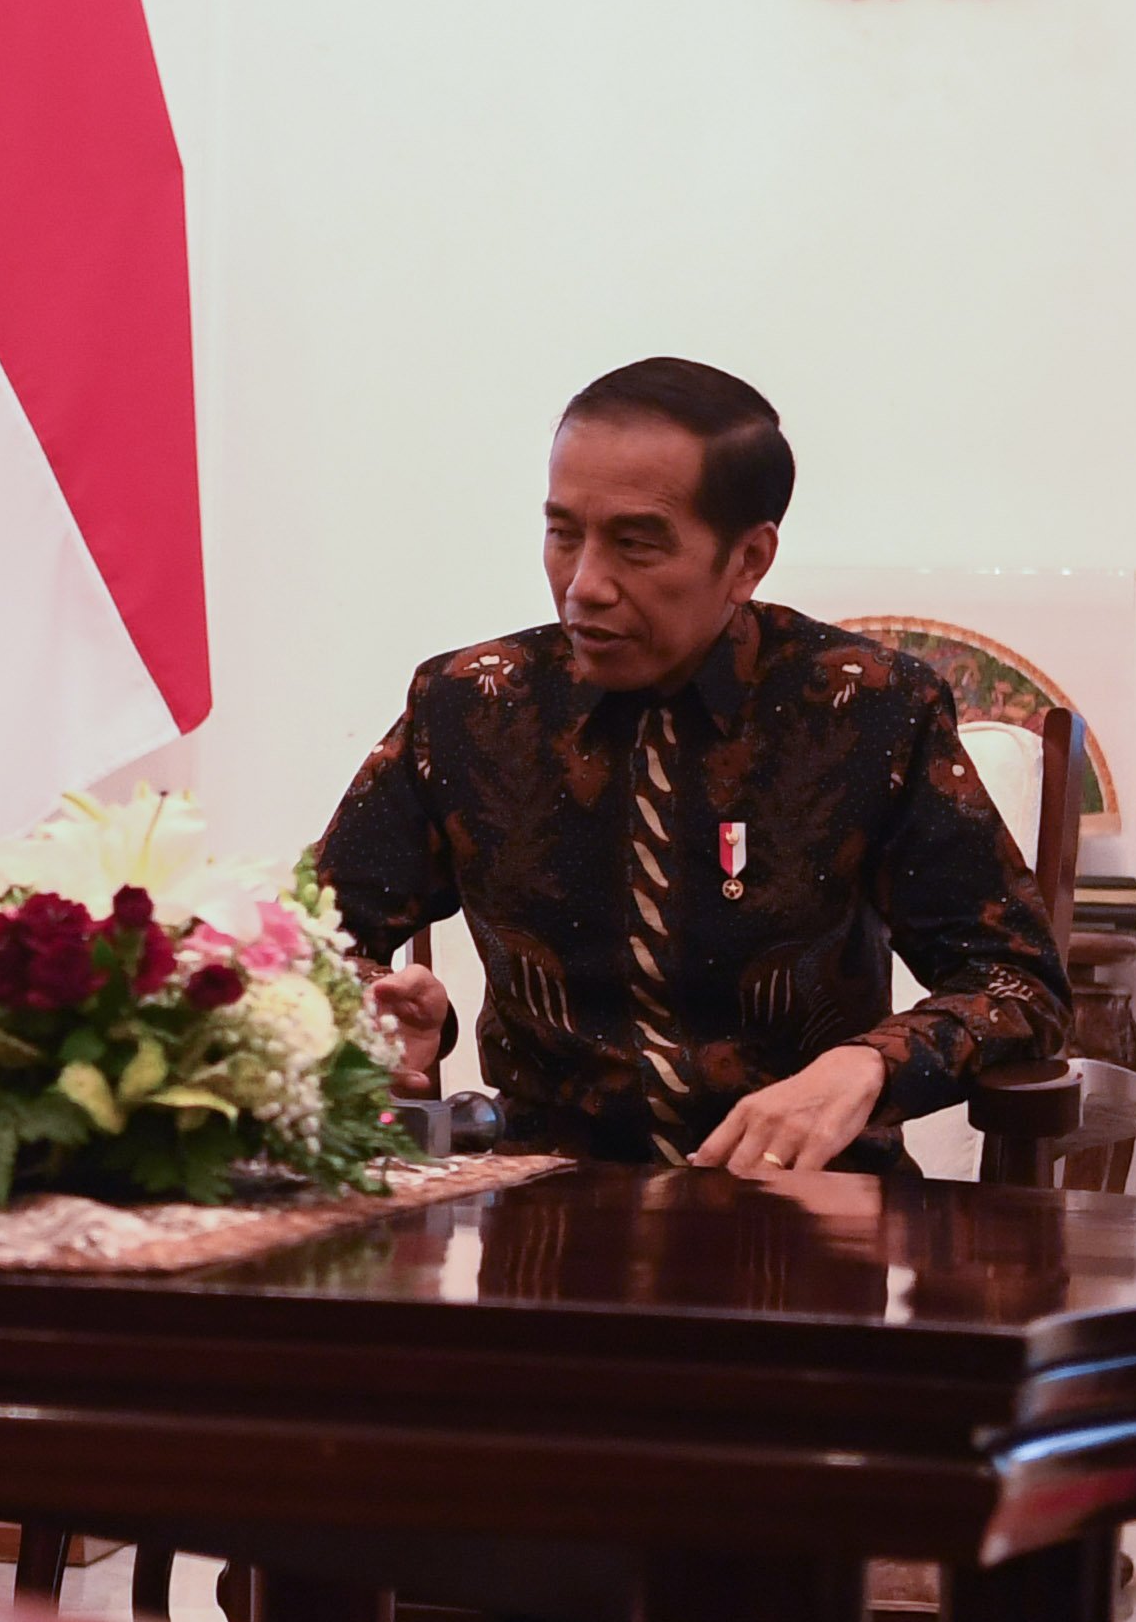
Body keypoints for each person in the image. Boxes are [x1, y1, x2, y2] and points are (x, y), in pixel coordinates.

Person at [318, 356, 1069, 1175]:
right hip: (542, 1217)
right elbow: (298, 939)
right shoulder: (470, 706)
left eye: (635, 545)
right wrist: (363, 1008)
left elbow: (1014, 983)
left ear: (748, 560)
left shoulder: (866, 709)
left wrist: (866, 1066)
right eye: (562, 533)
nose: (583, 586)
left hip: (804, 1222)